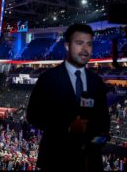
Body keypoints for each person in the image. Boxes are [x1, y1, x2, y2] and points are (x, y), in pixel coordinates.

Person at [26, 23, 110, 171]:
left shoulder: (96, 82)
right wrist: (67, 127)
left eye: (89, 44)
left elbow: (104, 127)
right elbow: (33, 116)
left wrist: (93, 143)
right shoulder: (48, 78)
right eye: (79, 43)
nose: (85, 49)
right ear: (67, 46)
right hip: (56, 159)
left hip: (89, 162)